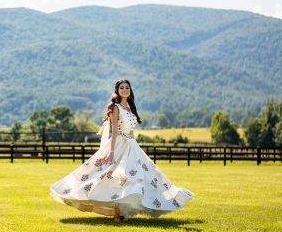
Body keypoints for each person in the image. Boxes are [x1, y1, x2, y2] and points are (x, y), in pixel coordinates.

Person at [50, 79, 194, 220]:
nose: (125, 89)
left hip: (133, 145)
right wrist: (111, 153)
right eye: (122, 88)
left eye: (127, 87)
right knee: (112, 175)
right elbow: (114, 132)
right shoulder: (115, 107)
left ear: (130, 90)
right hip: (120, 144)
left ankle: (123, 211)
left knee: (139, 175)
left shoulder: (129, 108)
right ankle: (117, 212)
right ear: (117, 91)